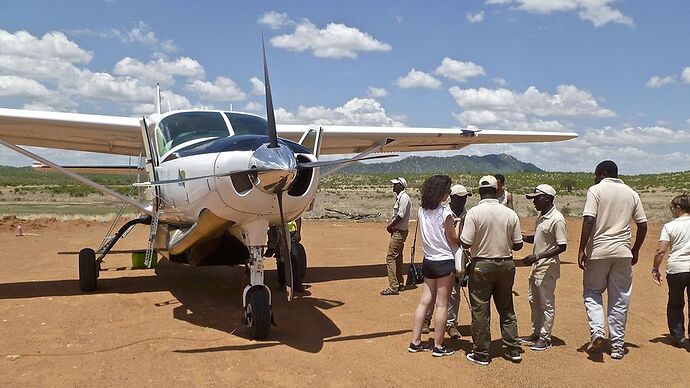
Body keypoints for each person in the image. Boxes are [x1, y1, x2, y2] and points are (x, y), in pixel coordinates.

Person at [578, 160, 647, 360]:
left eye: (596, 174)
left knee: (592, 291)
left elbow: (589, 219)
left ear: (604, 173)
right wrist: (635, 250)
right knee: (620, 298)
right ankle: (617, 346)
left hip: (599, 251)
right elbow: (642, 225)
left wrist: (581, 249)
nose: (594, 177)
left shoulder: (596, 190)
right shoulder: (632, 193)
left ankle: (598, 331)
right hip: (623, 252)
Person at [461, 175, 523, 366]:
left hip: (482, 265)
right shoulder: (510, 214)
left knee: (480, 309)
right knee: (506, 308)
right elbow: (518, 245)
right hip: (506, 264)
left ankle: (481, 353)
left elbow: (465, 242)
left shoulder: (474, 213)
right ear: (497, 191)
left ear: (480, 191)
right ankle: (513, 348)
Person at [408, 175, 459, 357]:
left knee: (424, 301)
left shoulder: (422, 211)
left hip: (428, 261)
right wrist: (457, 226)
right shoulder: (445, 213)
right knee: (442, 305)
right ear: (441, 192)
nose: (448, 194)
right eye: (447, 190)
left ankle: (415, 341)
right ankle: (438, 346)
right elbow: (453, 238)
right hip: (444, 261)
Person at [520, 184, 567, 351]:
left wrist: (538, 256)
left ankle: (545, 338)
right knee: (534, 301)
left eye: (536, 198)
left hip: (547, 267)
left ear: (547, 198)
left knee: (546, 303)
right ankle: (537, 332)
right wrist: (523, 238)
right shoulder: (542, 217)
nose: (534, 202)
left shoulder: (557, 219)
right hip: (537, 266)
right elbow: (542, 239)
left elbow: (562, 246)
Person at [421, 184, 472, 339]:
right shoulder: (443, 212)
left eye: (465, 197)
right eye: (461, 197)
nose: (463, 200)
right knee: (432, 292)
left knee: (455, 292)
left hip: (458, 256)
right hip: (442, 257)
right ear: (453, 197)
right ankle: (426, 320)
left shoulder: (468, 214)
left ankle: (451, 323)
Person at [651, 193, 690, 349]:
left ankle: (678, 335)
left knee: (675, 303)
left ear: (678, 208)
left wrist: (655, 268)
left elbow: (661, 251)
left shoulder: (670, 226)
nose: (672, 211)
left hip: (677, 269)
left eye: (672, 208)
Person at [381, 177, 412, 295]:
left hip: (399, 231)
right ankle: (400, 283)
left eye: (395, 184)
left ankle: (393, 286)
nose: (393, 186)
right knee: (398, 257)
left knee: (390, 258)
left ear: (401, 186)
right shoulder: (402, 197)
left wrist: (391, 226)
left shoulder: (404, 198)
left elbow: (400, 216)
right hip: (399, 231)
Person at [266, 217, 306, 292]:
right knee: (280, 260)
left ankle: (297, 285)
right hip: (279, 234)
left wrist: (298, 233)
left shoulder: (291, 207)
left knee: (294, 259)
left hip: (291, 234)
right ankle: (282, 283)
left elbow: (298, 218)